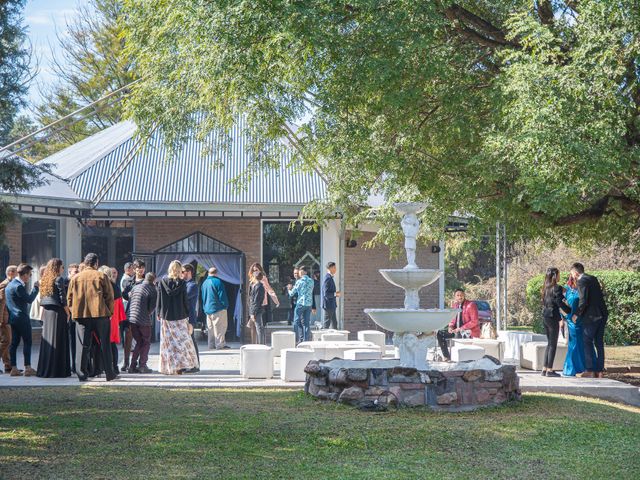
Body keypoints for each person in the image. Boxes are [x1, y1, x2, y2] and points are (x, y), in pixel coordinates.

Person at [67, 253, 117, 382]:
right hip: (100, 314)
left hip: (82, 316)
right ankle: (109, 373)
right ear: (96, 263)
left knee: (82, 345)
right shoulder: (101, 276)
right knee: (105, 344)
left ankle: (81, 373)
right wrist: (109, 313)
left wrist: (74, 312)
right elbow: (109, 297)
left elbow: (69, 299)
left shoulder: (75, 278)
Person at [157, 260, 199, 375]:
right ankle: (182, 365)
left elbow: (159, 298)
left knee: (168, 343)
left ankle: (169, 367)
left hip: (166, 315)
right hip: (180, 315)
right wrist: (187, 314)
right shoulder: (182, 283)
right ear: (179, 270)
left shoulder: (162, 282)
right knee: (183, 342)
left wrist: (158, 312)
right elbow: (185, 301)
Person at [571, 262, 609, 379]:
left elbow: (583, 301)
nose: (572, 276)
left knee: (587, 341)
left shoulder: (582, 281)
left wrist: (576, 314)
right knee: (599, 343)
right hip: (602, 314)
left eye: (572, 273)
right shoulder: (593, 278)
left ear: (576, 273)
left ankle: (590, 370)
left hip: (591, 316)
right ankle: (600, 371)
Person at [36, 258, 71, 378]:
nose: (63, 269)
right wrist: (68, 312)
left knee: (48, 340)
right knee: (58, 339)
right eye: (62, 267)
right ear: (57, 268)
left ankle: (45, 369)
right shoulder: (58, 279)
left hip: (47, 311)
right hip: (57, 312)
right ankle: (57, 370)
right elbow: (63, 298)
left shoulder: (45, 279)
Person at [5, 264, 39, 376]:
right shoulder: (18, 286)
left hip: (13, 319)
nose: (29, 277)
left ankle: (14, 368)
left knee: (14, 343)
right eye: (29, 274)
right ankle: (28, 368)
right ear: (24, 275)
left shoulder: (10, 285)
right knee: (27, 342)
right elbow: (29, 299)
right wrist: (36, 288)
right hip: (22, 319)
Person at [540, 267, 570, 377]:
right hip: (552, 317)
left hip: (545, 316)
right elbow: (559, 302)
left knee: (549, 344)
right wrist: (570, 310)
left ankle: (544, 368)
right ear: (554, 276)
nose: (559, 276)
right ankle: (550, 370)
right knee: (553, 344)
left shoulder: (545, 288)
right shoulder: (556, 288)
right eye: (558, 274)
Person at [436, 289, 480, 362]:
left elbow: (474, 321)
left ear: (464, 295)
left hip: (468, 332)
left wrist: (461, 328)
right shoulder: (455, 306)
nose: (460, 297)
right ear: (455, 297)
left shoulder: (471, 305)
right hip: (456, 331)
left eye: (461, 295)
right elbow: (452, 320)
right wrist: (450, 327)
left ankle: (464, 359)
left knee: (462, 335)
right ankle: (447, 357)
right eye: (458, 295)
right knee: (440, 334)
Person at [128, 272, 157, 373]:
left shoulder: (136, 287)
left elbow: (130, 301)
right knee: (146, 342)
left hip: (132, 318)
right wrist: (146, 314)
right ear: (154, 280)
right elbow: (152, 308)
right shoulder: (153, 289)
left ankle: (132, 366)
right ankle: (142, 365)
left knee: (139, 342)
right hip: (143, 319)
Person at [121, 259, 145, 371]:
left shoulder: (146, 281)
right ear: (134, 269)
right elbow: (124, 295)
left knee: (141, 339)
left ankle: (140, 363)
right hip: (130, 313)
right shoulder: (128, 282)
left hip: (143, 314)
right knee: (128, 338)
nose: (140, 269)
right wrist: (128, 294)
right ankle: (126, 362)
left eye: (142, 267)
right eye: (138, 267)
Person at [561, 275, 587, 377]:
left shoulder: (581, 289)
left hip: (580, 319)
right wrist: (563, 318)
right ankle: (571, 368)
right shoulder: (566, 289)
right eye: (572, 278)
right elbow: (561, 304)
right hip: (570, 320)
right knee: (573, 344)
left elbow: (584, 304)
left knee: (581, 344)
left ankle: (583, 367)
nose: (574, 280)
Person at [248, 263, 279, 341]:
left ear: (260, 271)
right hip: (252, 304)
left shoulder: (262, 279)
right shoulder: (252, 279)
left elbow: (269, 289)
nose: (255, 272)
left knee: (259, 326)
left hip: (260, 304)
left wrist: (275, 300)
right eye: (253, 270)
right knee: (253, 326)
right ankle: (254, 343)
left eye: (257, 270)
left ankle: (260, 344)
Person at [201, 266, 229, 350]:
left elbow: (203, 297)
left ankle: (211, 345)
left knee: (210, 329)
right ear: (216, 273)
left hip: (207, 309)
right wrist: (225, 306)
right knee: (220, 328)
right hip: (218, 308)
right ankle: (220, 345)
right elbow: (222, 296)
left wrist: (204, 307)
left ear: (209, 273)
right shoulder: (218, 282)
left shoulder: (204, 283)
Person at [287, 265, 315, 343]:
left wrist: (289, 289)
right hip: (309, 304)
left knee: (296, 321)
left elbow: (292, 294)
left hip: (300, 303)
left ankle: (296, 340)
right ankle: (306, 341)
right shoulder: (311, 281)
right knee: (306, 323)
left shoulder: (299, 281)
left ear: (301, 272)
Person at [182, 263, 200, 371]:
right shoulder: (183, 284)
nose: (181, 274)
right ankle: (186, 364)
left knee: (191, 341)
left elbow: (184, 297)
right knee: (185, 342)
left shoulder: (192, 285)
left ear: (189, 272)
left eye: (183, 271)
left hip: (190, 317)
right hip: (183, 317)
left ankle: (196, 365)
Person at [0, 265, 18, 374]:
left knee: (7, 341)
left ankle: (8, 365)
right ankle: (8, 364)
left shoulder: (11, 284)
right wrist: (1, 320)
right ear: (11, 273)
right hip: (4, 319)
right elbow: (1, 304)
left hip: (9, 318)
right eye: (17, 273)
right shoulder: (5, 285)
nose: (18, 275)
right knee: (6, 341)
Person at [66, 263, 79, 373]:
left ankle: (76, 366)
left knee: (77, 342)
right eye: (75, 272)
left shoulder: (78, 283)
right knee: (72, 343)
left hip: (77, 317)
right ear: (69, 273)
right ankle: (72, 366)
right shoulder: (66, 283)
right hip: (70, 317)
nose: (77, 274)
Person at [249, 271, 266, 344]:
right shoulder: (255, 286)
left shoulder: (258, 287)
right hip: (255, 309)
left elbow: (256, 301)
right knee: (258, 327)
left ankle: (261, 344)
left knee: (259, 327)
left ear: (254, 277)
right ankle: (261, 343)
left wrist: (253, 313)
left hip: (257, 310)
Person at [322, 262, 340, 329]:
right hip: (328, 304)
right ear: (330, 268)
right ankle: (323, 338)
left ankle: (335, 337)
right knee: (327, 324)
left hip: (331, 304)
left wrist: (335, 293)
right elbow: (326, 294)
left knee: (334, 323)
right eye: (334, 267)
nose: (336, 269)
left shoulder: (330, 278)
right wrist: (336, 294)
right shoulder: (327, 278)